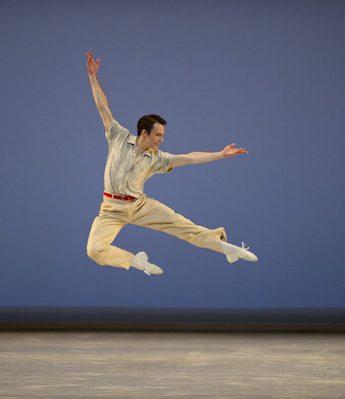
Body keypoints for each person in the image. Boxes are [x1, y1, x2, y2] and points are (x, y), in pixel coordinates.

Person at [85, 50, 258, 276]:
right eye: (158, 135)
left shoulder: (157, 158)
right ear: (144, 133)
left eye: (162, 136)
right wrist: (92, 77)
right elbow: (102, 107)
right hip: (110, 209)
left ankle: (226, 248)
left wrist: (220, 154)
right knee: (94, 250)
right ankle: (138, 262)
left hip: (140, 205)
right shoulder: (118, 136)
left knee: (184, 227)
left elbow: (189, 157)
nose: (161, 140)